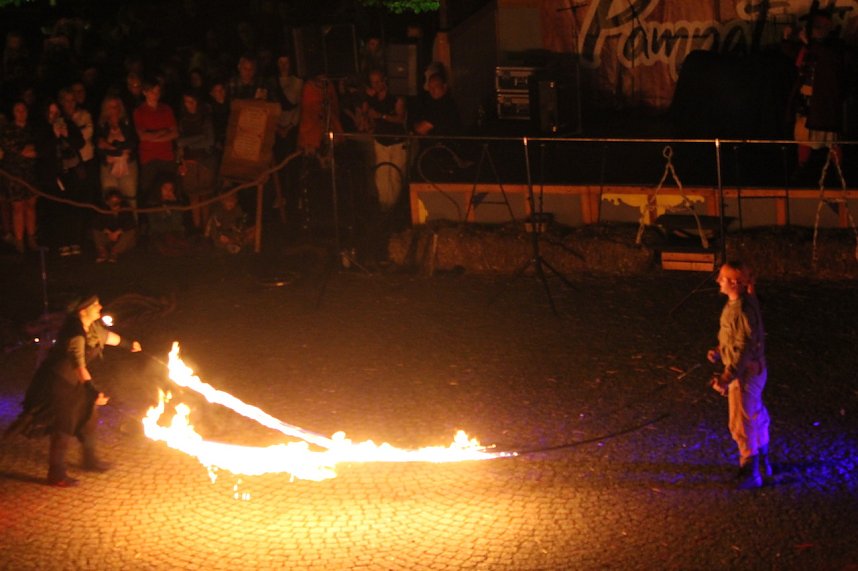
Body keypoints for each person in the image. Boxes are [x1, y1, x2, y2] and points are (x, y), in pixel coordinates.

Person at [5, 295, 141, 487]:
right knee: (64, 424)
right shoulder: (75, 333)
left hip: (75, 380)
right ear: (82, 310)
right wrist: (92, 391)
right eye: (95, 304)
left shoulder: (92, 327)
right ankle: (56, 474)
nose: (100, 306)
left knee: (89, 416)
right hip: (59, 381)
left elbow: (107, 337)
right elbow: (79, 365)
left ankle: (90, 460)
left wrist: (129, 345)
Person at [707, 261, 772, 490]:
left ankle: (751, 472)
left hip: (744, 375)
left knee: (740, 422)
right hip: (754, 371)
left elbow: (743, 346)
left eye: (722, 278)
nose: (718, 281)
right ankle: (764, 461)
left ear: (734, 283)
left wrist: (727, 376)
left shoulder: (742, 309)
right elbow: (735, 339)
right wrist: (719, 349)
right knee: (755, 414)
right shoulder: (743, 303)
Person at [783, 6, 846, 173]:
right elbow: (795, 55)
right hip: (806, 101)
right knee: (803, 136)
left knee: (831, 140)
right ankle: (801, 167)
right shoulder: (811, 46)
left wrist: (808, 42)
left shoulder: (835, 47)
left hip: (824, 104)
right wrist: (787, 38)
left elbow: (828, 59)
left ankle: (839, 171)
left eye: (815, 27)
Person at [0, 100, 40, 254]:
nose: (21, 113)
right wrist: (25, 150)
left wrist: (31, 150)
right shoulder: (8, 130)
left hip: (31, 174)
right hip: (15, 174)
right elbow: (18, 150)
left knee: (30, 206)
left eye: (23, 109)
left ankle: (31, 238)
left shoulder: (32, 129)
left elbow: (37, 148)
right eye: (18, 110)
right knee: (18, 207)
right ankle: (19, 242)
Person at [133, 79, 178, 208]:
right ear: (145, 92)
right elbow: (142, 135)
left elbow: (175, 133)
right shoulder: (139, 111)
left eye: (157, 91)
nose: (155, 94)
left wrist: (152, 137)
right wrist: (164, 132)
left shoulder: (166, 109)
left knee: (169, 190)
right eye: (152, 91)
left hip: (166, 156)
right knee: (149, 192)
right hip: (148, 158)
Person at [176, 90, 216, 230]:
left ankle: (207, 228)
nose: (190, 105)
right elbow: (179, 142)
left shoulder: (205, 118)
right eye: (187, 102)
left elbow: (209, 140)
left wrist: (189, 142)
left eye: (192, 101)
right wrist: (199, 136)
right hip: (189, 163)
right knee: (193, 196)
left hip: (205, 162)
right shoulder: (182, 119)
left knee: (205, 195)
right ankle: (197, 227)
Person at [96, 94, 139, 214]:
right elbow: (98, 145)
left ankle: (131, 227)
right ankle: (112, 227)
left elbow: (132, 142)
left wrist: (111, 147)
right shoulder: (102, 125)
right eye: (110, 107)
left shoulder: (126, 122)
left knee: (130, 196)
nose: (113, 109)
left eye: (116, 106)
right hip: (108, 166)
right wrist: (116, 151)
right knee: (110, 197)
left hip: (128, 164)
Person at [91, 189, 137, 262]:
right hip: (107, 238)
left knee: (131, 231)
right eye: (112, 202)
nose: (115, 204)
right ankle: (103, 252)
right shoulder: (102, 209)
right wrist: (108, 232)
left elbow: (131, 223)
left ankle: (115, 252)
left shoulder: (126, 208)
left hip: (121, 240)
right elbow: (96, 223)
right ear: (107, 202)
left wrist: (118, 232)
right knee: (95, 230)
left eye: (117, 201)